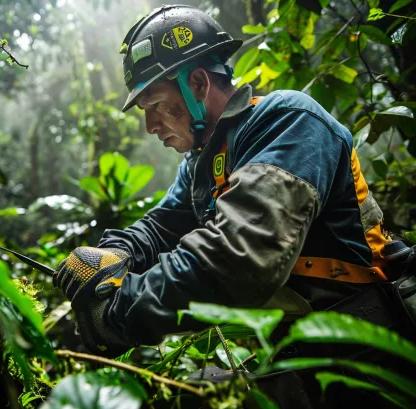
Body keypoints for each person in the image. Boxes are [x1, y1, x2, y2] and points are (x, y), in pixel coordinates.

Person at [52, 4, 398, 359]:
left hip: (371, 336)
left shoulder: (288, 121)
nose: (150, 126)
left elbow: (242, 258)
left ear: (199, 84)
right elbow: (161, 226)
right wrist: (114, 252)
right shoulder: (203, 163)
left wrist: (122, 311)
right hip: (301, 350)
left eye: (155, 104)